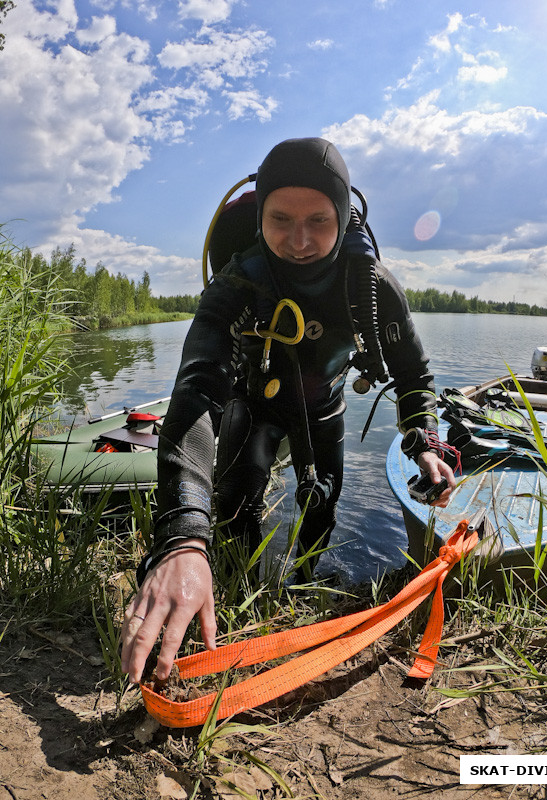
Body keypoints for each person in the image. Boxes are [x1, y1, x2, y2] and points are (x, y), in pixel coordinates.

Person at [121, 137, 456, 684]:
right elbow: (195, 394)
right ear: (260, 217)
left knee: (320, 514)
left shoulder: (371, 287)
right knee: (233, 517)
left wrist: (425, 443)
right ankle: (227, 609)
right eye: (280, 218)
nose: (299, 241)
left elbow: (415, 376)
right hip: (250, 411)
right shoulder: (237, 283)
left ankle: (297, 594)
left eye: (319, 220)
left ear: (344, 216)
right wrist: (182, 536)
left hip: (324, 412)